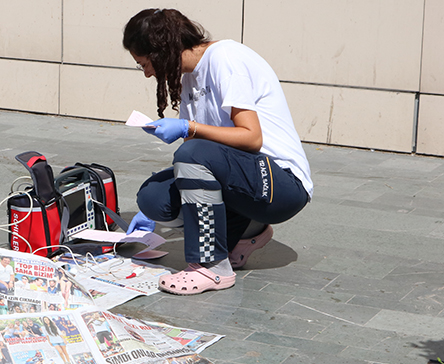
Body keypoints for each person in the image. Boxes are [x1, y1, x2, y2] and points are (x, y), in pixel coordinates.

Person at [122, 9, 312, 295]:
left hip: (281, 183)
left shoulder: (225, 58)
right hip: (242, 179)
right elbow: (199, 159)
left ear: (161, 51)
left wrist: (188, 127)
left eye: (144, 63)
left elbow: (251, 137)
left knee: (193, 152)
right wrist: (189, 131)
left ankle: (211, 267)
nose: (147, 73)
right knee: (154, 198)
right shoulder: (187, 77)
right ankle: (248, 232)